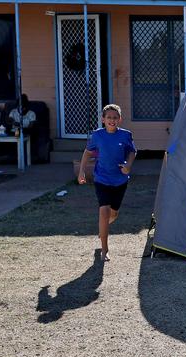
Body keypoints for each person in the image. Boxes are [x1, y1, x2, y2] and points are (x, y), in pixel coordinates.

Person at [78, 104, 136, 262]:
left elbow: (132, 152)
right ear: (103, 119)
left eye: (115, 117)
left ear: (120, 119)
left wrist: (128, 166)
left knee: (113, 214)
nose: (112, 120)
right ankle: (104, 249)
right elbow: (88, 153)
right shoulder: (97, 135)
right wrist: (82, 171)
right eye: (109, 117)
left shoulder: (126, 135)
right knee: (104, 212)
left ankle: (102, 228)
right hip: (102, 179)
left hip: (120, 180)